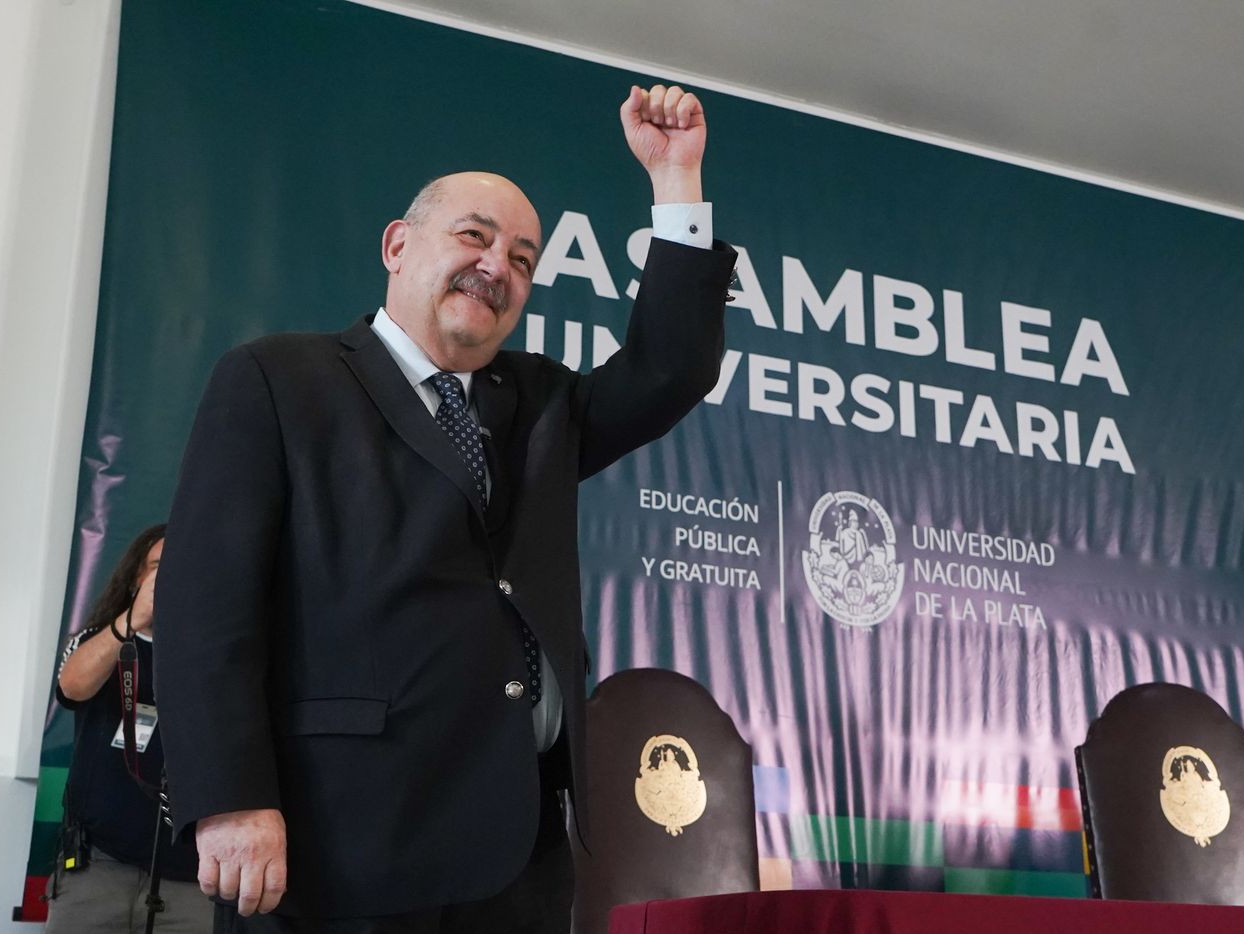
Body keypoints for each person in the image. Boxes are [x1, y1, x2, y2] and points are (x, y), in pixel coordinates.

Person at [153, 85, 737, 933]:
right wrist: (231, 799)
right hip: (337, 843)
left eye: (525, 258)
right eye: (475, 235)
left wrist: (676, 181)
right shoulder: (279, 380)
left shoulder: (541, 403)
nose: (498, 265)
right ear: (398, 244)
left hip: (516, 855)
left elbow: (671, 370)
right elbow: (207, 605)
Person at [48, 523, 213, 933]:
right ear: (136, 577)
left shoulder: (219, 653)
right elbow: (71, 687)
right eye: (159, 567)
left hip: (191, 876)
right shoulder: (99, 639)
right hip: (99, 867)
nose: (172, 577)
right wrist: (133, 620)